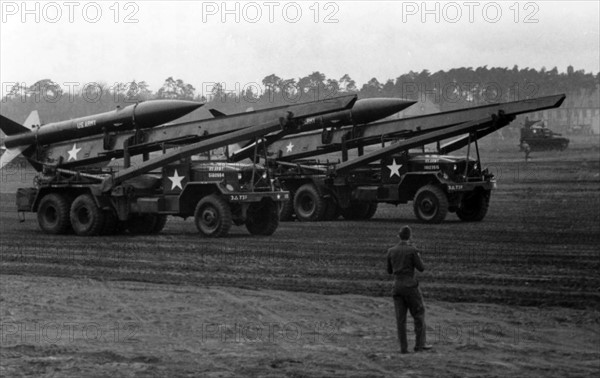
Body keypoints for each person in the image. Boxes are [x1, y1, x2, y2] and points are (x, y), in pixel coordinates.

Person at [387, 226, 432, 353]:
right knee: (418, 314)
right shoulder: (412, 250)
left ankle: (403, 348)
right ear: (410, 236)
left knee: (400, 319)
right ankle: (419, 345)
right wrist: (418, 255)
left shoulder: (391, 251)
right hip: (411, 286)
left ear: (398, 236)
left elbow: (389, 271)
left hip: (397, 287)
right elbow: (421, 268)